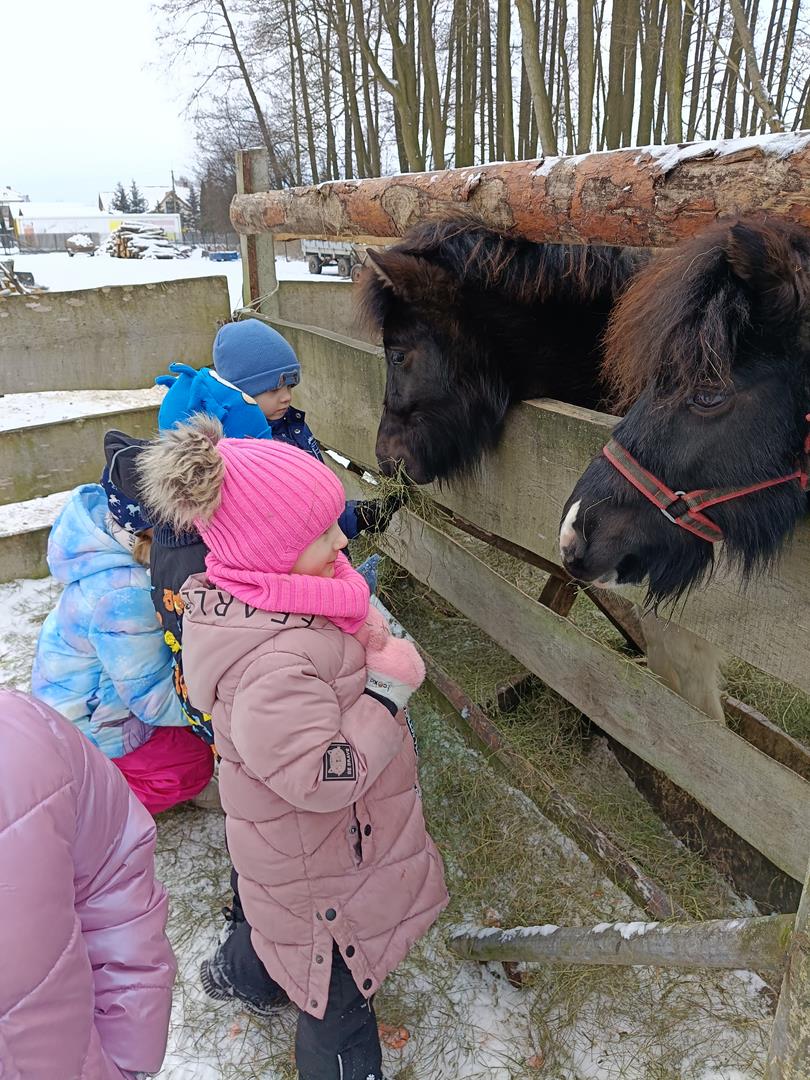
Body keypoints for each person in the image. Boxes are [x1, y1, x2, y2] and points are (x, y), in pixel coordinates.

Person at [138, 417, 448, 1080]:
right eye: (323, 532)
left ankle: (240, 975)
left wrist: (366, 634)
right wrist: (386, 695)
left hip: (305, 856)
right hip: (321, 869)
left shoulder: (293, 599)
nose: (342, 539)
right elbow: (321, 776)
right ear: (270, 552)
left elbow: (337, 626)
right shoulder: (270, 666)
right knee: (336, 1000)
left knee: (279, 921)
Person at [31, 432, 214, 815]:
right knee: (191, 763)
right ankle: (96, 804)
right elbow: (153, 699)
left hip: (86, 699)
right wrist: (214, 715)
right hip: (88, 728)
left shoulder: (110, 543)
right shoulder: (124, 597)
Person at [0, 689, 175, 1079]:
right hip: (94, 734)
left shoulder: (21, 744)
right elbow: (151, 699)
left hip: (77, 746)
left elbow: (112, 880)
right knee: (186, 759)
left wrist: (129, 1055)